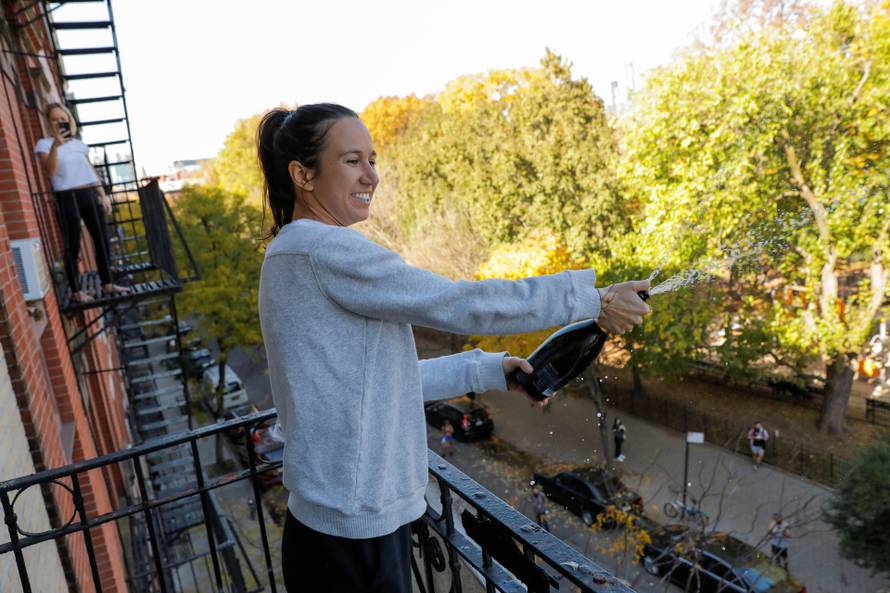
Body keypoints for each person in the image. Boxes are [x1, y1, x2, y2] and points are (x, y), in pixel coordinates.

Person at [256, 103, 651, 593]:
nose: (371, 176)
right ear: (303, 175)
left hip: (335, 528)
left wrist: (487, 371)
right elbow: (460, 304)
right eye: (352, 160)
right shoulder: (323, 250)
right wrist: (593, 299)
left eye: (372, 160)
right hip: (354, 538)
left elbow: (376, 384)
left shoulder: (291, 254)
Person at [35, 103, 128, 303]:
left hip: (88, 194)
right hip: (66, 196)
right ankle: (76, 291)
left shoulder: (78, 145)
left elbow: (90, 170)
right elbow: (50, 170)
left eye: (63, 119)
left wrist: (102, 194)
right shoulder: (44, 144)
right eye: (54, 119)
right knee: (73, 243)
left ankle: (108, 283)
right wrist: (56, 146)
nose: (59, 122)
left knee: (102, 237)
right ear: (48, 122)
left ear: (69, 120)